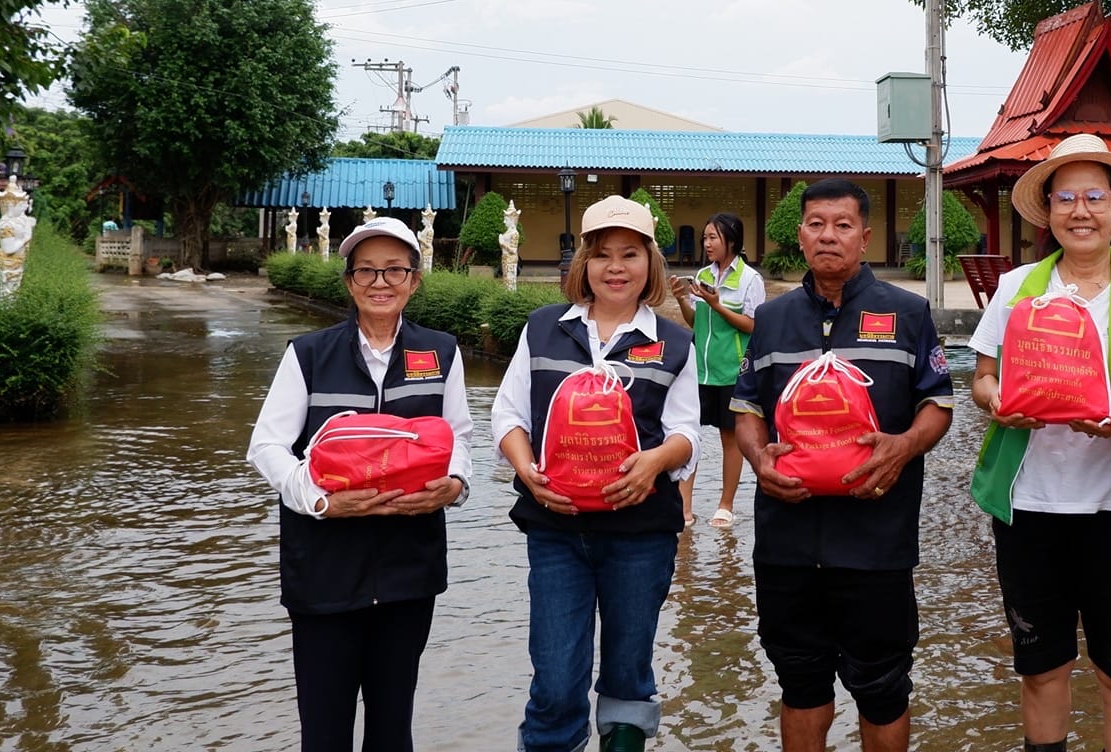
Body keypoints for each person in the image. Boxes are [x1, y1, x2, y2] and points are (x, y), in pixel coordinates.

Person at [966, 134, 1111, 752]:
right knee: (1040, 667)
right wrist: (997, 404)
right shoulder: (1018, 286)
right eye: (1065, 197)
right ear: (1048, 211)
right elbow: (981, 378)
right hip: (1029, 505)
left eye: (1095, 196)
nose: (1080, 210)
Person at [732, 178, 954, 752]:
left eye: (843, 225)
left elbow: (938, 403)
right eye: (816, 224)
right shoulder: (773, 319)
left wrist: (903, 446)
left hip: (876, 540)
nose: (828, 236)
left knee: (882, 686)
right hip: (786, 541)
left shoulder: (907, 313)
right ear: (800, 234)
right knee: (800, 682)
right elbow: (748, 408)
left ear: (865, 236)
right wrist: (759, 460)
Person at [247, 216, 474, 752]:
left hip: (408, 572)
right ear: (348, 282)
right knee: (324, 732)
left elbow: (460, 435)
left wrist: (456, 483)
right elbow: (267, 447)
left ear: (415, 280)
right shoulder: (308, 354)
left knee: (393, 728)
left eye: (394, 270)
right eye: (366, 271)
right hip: (324, 571)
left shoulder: (441, 352)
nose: (380, 283)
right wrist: (321, 500)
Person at [490, 195, 700, 752]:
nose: (615, 267)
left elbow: (688, 432)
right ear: (582, 263)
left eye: (630, 253)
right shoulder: (542, 330)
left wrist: (655, 461)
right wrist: (526, 470)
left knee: (629, 671)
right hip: (556, 529)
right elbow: (508, 414)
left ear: (650, 263)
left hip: (640, 533)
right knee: (557, 678)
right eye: (602, 254)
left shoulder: (674, 342)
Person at [671, 211, 765, 529]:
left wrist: (717, 305)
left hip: (732, 371)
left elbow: (753, 326)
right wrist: (684, 299)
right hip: (698, 370)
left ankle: (725, 505)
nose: (707, 243)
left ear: (732, 241)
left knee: (730, 439)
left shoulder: (750, 280)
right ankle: (684, 506)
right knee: (690, 435)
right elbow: (694, 323)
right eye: (705, 237)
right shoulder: (703, 275)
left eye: (713, 237)